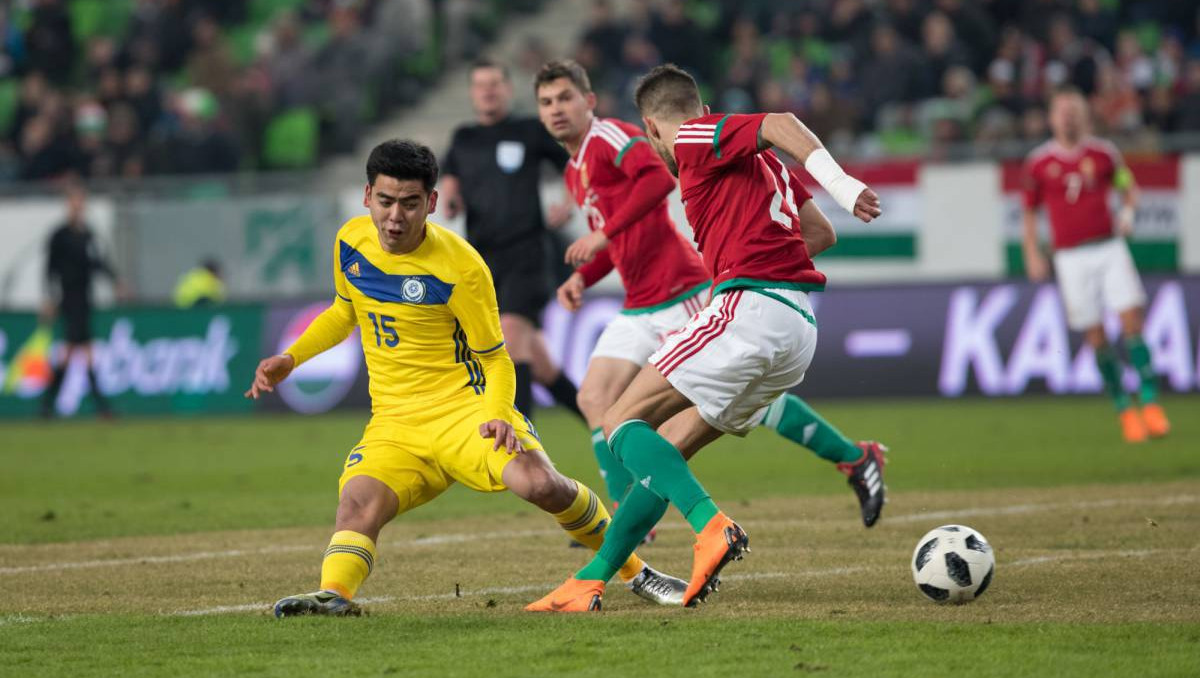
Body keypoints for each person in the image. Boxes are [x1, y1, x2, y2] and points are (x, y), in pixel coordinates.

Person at [246, 140, 686, 617]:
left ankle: (636, 572)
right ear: (367, 195)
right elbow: (343, 310)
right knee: (356, 503)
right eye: (385, 202)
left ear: (431, 203)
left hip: (467, 413)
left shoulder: (461, 267)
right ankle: (335, 595)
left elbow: (496, 358)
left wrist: (497, 415)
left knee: (541, 485)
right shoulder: (350, 242)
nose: (395, 217)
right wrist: (291, 358)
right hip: (396, 423)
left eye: (410, 203)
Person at [527, 64, 881, 612]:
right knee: (664, 449)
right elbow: (820, 234)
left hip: (746, 305)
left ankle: (712, 525)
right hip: (796, 323)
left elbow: (780, 120)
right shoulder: (760, 165)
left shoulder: (691, 136)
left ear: (651, 128)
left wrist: (842, 183)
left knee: (620, 420)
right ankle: (593, 577)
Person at [439, 59, 583, 423]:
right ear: (473, 93)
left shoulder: (529, 131)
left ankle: (521, 446)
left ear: (507, 89)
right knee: (541, 365)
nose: (488, 90)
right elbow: (451, 177)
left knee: (509, 339)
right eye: (480, 85)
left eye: (494, 83)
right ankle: (601, 421)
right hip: (482, 263)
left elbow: (575, 164)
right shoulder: (463, 137)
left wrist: (569, 203)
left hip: (528, 254)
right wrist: (451, 199)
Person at [1022, 88, 1169, 443]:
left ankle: (1150, 402)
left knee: (1131, 319)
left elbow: (1127, 187)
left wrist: (1129, 213)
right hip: (1070, 257)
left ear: (1084, 115)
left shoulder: (1103, 154)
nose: (1068, 116)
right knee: (1095, 335)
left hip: (1108, 248)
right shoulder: (1039, 163)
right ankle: (1124, 409)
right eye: (1062, 111)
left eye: (1074, 109)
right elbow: (1030, 211)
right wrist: (1032, 253)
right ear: (1052, 118)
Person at [40, 183, 120, 418]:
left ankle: (49, 407)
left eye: (81, 202)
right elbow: (49, 270)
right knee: (75, 352)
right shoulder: (60, 235)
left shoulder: (88, 234)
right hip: (68, 298)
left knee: (82, 353)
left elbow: (98, 263)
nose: (78, 206)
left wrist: (115, 280)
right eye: (74, 202)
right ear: (68, 205)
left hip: (85, 299)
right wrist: (49, 299)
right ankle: (99, 407)